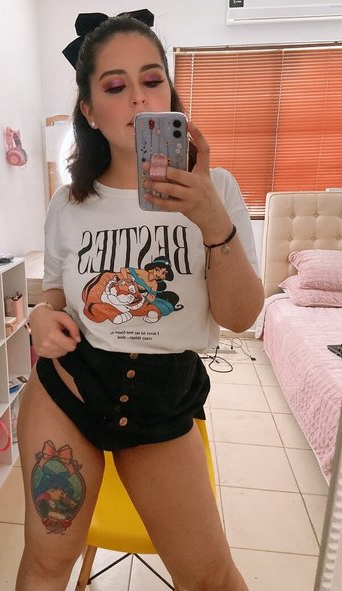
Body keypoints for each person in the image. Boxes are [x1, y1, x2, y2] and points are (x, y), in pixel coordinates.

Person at [16, 10, 264, 591]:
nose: (137, 98)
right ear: (89, 111)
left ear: (170, 94)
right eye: (115, 86)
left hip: (162, 397)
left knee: (211, 578)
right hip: (70, 388)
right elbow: (54, 296)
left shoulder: (217, 190)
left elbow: (240, 317)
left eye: (152, 80)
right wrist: (39, 316)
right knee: (47, 563)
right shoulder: (69, 204)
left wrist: (211, 220)